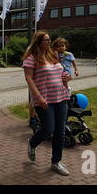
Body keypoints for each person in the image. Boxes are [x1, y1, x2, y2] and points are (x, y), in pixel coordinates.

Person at [22, 30, 71, 176]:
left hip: (61, 96)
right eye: (46, 40)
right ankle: (32, 143)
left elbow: (60, 73)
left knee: (60, 131)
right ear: (38, 42)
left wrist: (66, 77)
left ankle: (56, 162)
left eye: (50, 40)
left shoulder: (53, 55)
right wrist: (38, 97)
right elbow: (29, 79)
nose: (49, 42)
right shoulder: (31, 58)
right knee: (48, 129)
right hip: (44, 99)